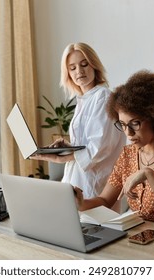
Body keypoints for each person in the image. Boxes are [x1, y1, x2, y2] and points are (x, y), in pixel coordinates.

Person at [74, 70, 154, 226]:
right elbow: (104, 200)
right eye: (122, 125)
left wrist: (148, 174)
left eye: (135, 123)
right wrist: (81, 203)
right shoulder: (127, 155)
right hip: (143, 238)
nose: (128, 133)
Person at [31, 42, 126, 199]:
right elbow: (89, 144)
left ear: (94, 66)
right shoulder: (84, 100)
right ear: (67, 72)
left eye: (84, 64)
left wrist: (60, 157)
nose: (79, 71)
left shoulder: (103, 97)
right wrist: (69, 148)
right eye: (72, 68)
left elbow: (99, 148)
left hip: (94, 186)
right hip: (78, 181)